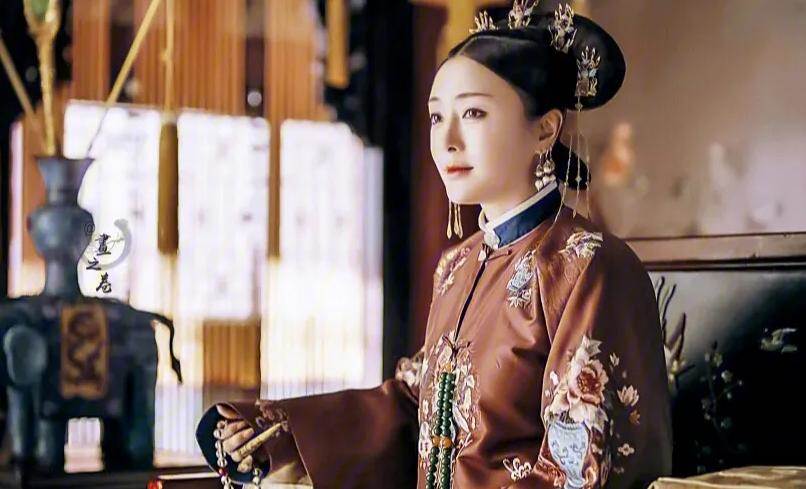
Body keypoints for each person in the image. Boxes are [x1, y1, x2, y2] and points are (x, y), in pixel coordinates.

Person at [196, 2, 672, 488]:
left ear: (545, 129)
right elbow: (415, 405)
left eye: (474, 113)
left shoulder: (587, 264)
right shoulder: (457, 265)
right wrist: (275, 434)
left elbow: (579, 467)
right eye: (437, 117)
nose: (448, 140)